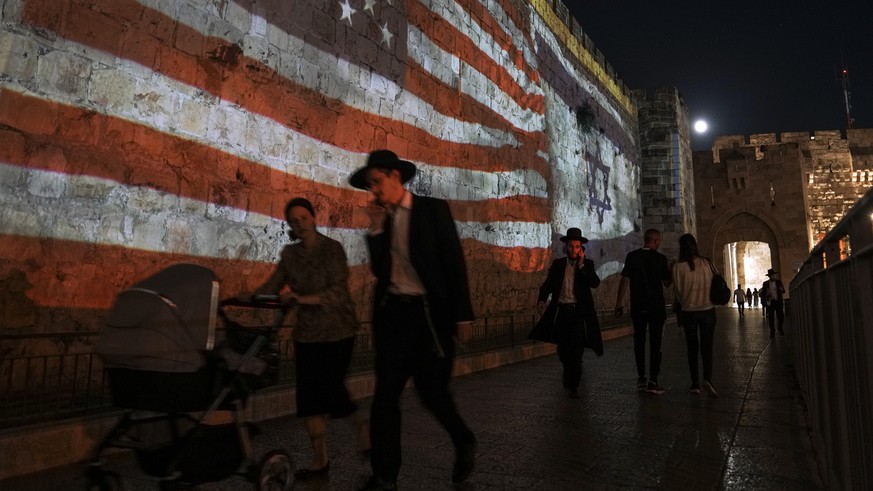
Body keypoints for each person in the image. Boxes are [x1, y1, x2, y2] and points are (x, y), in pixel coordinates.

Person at [349, 150, 477, 490]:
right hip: (394, 318)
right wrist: (376, 232)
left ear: (395, 176)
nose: (373, 191)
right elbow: (381, 271)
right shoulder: (383, 220)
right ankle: (385, 475)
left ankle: (463, 438)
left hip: (428, 318)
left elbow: (453, 262)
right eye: (369, 186)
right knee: (385, 398)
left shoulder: (432, 210)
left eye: (376, 182)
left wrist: (463, 316)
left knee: (432, 393)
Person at [252, 197, 368, 480]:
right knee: (308, 399)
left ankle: (365, 431)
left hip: (337, 330)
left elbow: (339, 292)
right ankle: (320, 460)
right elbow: (274, 283)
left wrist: (302, 298)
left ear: (313, 218)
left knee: (332, 389)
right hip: (307, 334)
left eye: (304, 218)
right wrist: (253, 295)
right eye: (294, 220)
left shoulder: (332, 249)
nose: (300, 224)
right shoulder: (290, 255)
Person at [529, 227, 603, 398]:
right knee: (563, 350)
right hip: (561, 312)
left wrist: (583, 266)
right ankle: (568, 370)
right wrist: (541, 299)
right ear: (566, 247)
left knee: (576, 350)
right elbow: (547, 285)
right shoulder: (558, 265)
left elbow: (595, 283)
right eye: (570, 246)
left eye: (577, 247)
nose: (573, 250)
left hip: (577, 313)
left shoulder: (587, 265)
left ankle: (573, 384)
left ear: (581, 248)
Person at [613, 229, 672, 395]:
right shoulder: (660, 259)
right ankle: (653, 380)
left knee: (639, 342)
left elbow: (624, 279)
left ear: (645, 240)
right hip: (656, 308)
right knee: (655, 343)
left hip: (638, 306)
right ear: (657, 241)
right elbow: (667, 283)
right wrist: (672, 270)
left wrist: (618, 303)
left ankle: (641, 377)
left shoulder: (632, 256)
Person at [671, 233, 719, 398]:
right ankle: (708, 379)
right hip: (708, 310)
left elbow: (678, 292)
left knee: (692, 348)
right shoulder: (707, 262)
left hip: (689, 312)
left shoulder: (678, 267)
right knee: (707, 346)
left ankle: (695, 384)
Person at [761, 269, 786, 337]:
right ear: (770, 276)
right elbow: (762, 293)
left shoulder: (778, 282)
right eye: (773, 276)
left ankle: (780, 328)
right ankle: (772, 331)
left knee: (780, 316)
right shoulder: (765, 283)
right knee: (771, 318)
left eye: (774, 275)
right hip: (770, 302)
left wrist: (781, 289)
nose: (774, 277)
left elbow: (784, 291)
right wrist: (767, 294)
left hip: (778, 301)